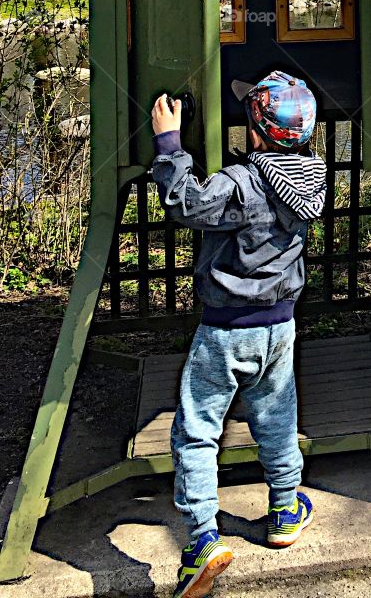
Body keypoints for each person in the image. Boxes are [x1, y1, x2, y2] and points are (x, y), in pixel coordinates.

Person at [150, 71, 326, 598]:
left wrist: (169, 143)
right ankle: (285, 510)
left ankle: (202, 539)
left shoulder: (239, 183)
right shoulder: (311, 179)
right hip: (280, 326)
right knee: (276, 419)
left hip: (225, 330)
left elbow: (185, 202)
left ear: (253, 132)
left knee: (198, 430)